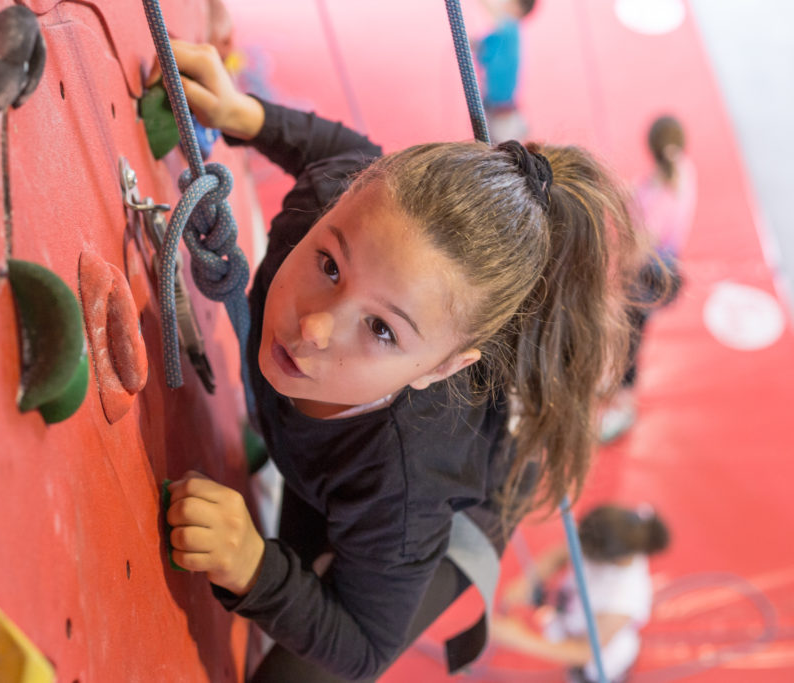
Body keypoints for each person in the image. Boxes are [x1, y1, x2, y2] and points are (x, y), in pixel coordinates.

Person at [160, 40, 640, 681]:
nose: (314, 328)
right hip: (350, 448)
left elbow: (363, 644)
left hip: (440, 502)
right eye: (329, 266)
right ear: (338, 205)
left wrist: (253, 567)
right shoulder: (331, 206)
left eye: (381, 329)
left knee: (293, 660)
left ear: (441, 368)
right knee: (297, 541)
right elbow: (340, 153)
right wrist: (247, 115)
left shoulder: (402, 484)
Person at [491, 504, 671, 682]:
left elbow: (585, 652)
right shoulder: (598, 537)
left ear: (608, 560)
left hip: (599, 659)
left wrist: (520, 638)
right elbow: (559, 555)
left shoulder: (626, 597)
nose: (578, 550)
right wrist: (527, 583)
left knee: (585, 675)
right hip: (571, 617)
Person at [600, 115, 696, 442]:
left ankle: (623, 404)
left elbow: (639, 250)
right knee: (628, 336)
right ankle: (616, 386)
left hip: (647, 279)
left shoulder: (657, 200)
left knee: (629, 338)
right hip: (665, 269)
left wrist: (615, 280)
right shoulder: (681, 170)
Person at [473, 0, 537, 142]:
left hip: (502, 114)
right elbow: (483, 50)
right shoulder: (500, 35)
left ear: (517, 8)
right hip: (494, 109)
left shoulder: (510, 28)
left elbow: (495, 11)